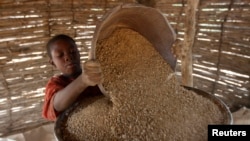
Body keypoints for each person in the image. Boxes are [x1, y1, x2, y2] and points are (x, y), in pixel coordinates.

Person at [42, 34, 103, 121]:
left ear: (79, 54)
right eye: (60, 55)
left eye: (72, 51)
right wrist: (82, 81)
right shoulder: (55, 83)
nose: (68, 57)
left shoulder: (96, 73)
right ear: (53, 63)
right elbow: (57, 105)